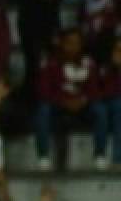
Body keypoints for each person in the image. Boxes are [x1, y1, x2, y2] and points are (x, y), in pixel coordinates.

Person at [36, 29, 108, 172]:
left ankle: (99, 155)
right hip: (58, 106)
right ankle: (43, 156)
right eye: (69, 43)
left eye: (77, 43)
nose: (73, 47)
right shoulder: (51, 63)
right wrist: (63, 101)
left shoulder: (89, 63)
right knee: (43, 110)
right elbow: (43, 91)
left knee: (100, 110)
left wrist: (83, 100)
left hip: (83, 106)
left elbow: (95, 90)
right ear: (62, 44)